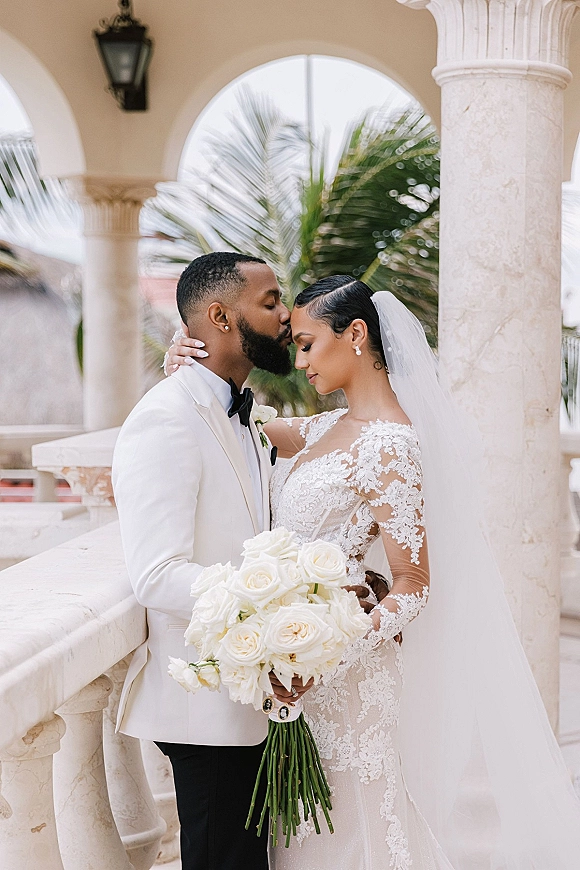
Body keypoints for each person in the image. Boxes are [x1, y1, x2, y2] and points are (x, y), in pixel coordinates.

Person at [167, 275, 580, 869]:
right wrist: (181, 355)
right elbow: (230, 424)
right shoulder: (320, 430)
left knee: (356, 824)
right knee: (307, 833)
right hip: (299, 674)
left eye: (308, 344)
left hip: (344, 674)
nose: (299, 360)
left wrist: (321, 654)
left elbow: (414, 583)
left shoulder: (391, 446)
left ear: (355, 334)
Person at [113, 252, 314, 870]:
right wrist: (279, 600)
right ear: (221, 317)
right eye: (272, 301)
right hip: (202, 705)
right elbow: (156, 573)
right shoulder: (165, 419)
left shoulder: (242, 412)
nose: (286, 316)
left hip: (250, 697)